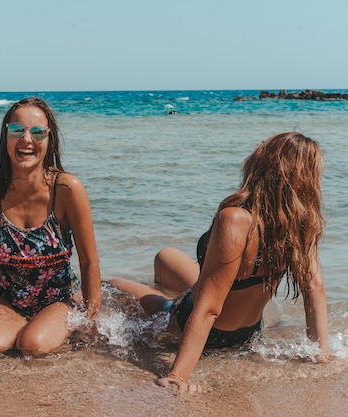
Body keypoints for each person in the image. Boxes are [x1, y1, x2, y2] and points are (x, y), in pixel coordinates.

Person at [109, 132, 329, 392]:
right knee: (165, 256)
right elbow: (314, 291)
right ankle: (176, 290)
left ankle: (168, 300)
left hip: (199, 326)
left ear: (263, 164)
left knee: (113, 284)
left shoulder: (235, 218)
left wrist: (178, 376)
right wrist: (320, 356)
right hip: (247, 332)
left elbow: (210, 308)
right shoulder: (300, 225)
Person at [0, 97, 102, 357]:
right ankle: (18, 326)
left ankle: (40, 329)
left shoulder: (67, 189)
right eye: (17, 131)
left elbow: (89, 261)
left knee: (32, 345)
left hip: (59, 299)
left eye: (38, 132)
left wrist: (90, 323)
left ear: (49, 140)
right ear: (6, 137)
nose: (26, 139)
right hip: (4, 298)